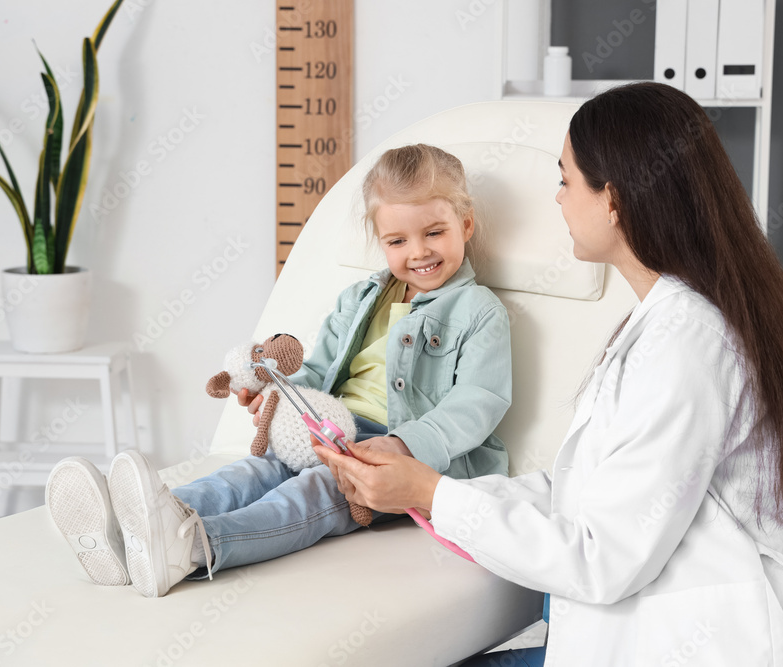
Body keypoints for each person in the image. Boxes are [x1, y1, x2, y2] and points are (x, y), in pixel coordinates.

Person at [315, 83, 783, 666]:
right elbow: (586, 486)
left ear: (612, 199)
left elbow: (601, 559)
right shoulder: (670, 316)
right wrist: (431, 489)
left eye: (565, 179)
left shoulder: (687, 345)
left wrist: (430, 492)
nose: (558, 199)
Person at [45, 144, 513, 599]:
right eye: (397, 240)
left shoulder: (478, 310)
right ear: (381, 242)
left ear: (465, 223)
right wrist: (280, 395)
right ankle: (137, 525)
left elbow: (477, 404)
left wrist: (403, 444)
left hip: (394, 458)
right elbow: (319, 370)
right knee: (251, 472)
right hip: (327, 429)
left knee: (311, 493)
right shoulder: (361, 298)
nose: (418, 252)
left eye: (434, 233)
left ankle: (194, 546)